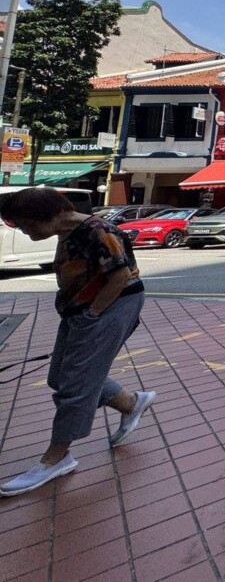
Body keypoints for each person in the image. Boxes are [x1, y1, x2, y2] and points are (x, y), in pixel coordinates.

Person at [0, 189, 155, 498]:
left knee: (75, 386)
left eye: (27, 225)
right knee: (59, 376)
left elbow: (120, 276)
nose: (25, 232)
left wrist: (94, 313)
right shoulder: (68, 230)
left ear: (50, 215)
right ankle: (131, 403)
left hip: (109, 306)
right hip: (82, 309)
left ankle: (57, 458)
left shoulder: (99, 231)